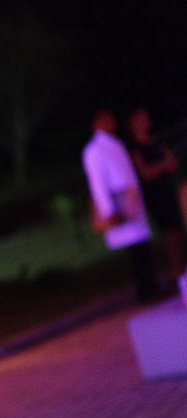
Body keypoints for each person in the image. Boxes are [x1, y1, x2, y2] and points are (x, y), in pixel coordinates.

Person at [83, 108, 157, 302]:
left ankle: (150, 287)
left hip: (130, 200)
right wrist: (109, 211)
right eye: (105, 119)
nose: (111, 121)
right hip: (119, 202)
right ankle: (145, 291)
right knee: (134, 249)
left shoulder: (114, 143)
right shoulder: (94, 150)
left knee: (141, 245)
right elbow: (98, 183)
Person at [128, 106, 186, 284]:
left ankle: (181, 272)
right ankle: (177, 275)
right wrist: (163, 165)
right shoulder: (136, 149)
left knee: (177, 230)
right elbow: (145, 173)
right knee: (170, 232)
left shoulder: (155, 142)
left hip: (167, 189)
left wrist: (164, 164)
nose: (146, 121)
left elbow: (173, 163)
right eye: (141, 118)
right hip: (155, 194)